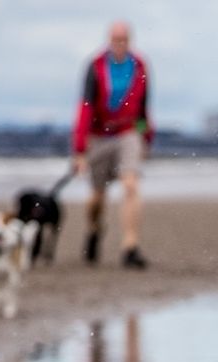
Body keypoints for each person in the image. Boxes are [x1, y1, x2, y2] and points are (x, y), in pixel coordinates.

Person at [72, 21, 153, 269]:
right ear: (109, 40)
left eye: (124, 39)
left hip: (127, 133)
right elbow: (85, 108)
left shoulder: (140, 67)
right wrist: (80, 150)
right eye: (116, 39)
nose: (120, 44)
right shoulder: (95, 67)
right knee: (97, 198)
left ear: (130, 40)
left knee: (131, 185)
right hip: (98, 135)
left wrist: (145, 138)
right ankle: (94, 229)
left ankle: (130, 247)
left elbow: (142, 112)